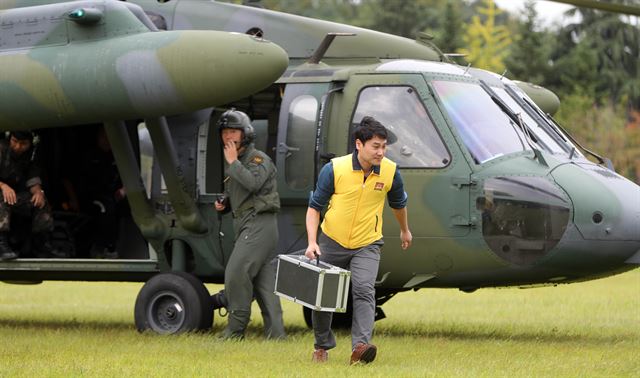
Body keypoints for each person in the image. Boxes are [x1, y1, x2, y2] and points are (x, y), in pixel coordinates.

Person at [304, 116, 412, 364]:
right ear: (359, 144)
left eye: (384, 146)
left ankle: (360, 347)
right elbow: (314, 208)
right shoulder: (334, 169)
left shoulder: (391, 172)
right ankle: (321, 346)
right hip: (332, 240)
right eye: (376, 146)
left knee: (364, 289)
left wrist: (405, 230)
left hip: (368, 242)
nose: (381, 152)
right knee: (324, 297)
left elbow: (399, 204)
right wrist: (313, 241)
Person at [213, 109, 285, 340]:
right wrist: (224, 204)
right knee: (264, 282)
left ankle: (235, 330)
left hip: (259, 224)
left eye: (233, 131)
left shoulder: (258, 159)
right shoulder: (236, 163)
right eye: (224, 132)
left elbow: (253, 183)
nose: (227, 137)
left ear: (246, 134)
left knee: (236, 272)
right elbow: (242, 194)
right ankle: (277, 334)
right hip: (247, 223)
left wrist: (233, 163)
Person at [0, 131, 62, 260]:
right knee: (2, 196)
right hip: (3, 194)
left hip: (14, 196)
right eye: (15, 141)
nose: (18, 147)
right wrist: (3, 186)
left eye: (23, 144)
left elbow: (33, 178)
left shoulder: (30, 155)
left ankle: (42, 244)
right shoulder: (1, 149)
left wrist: (38, 191)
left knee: (39, 200)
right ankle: (1, 245)